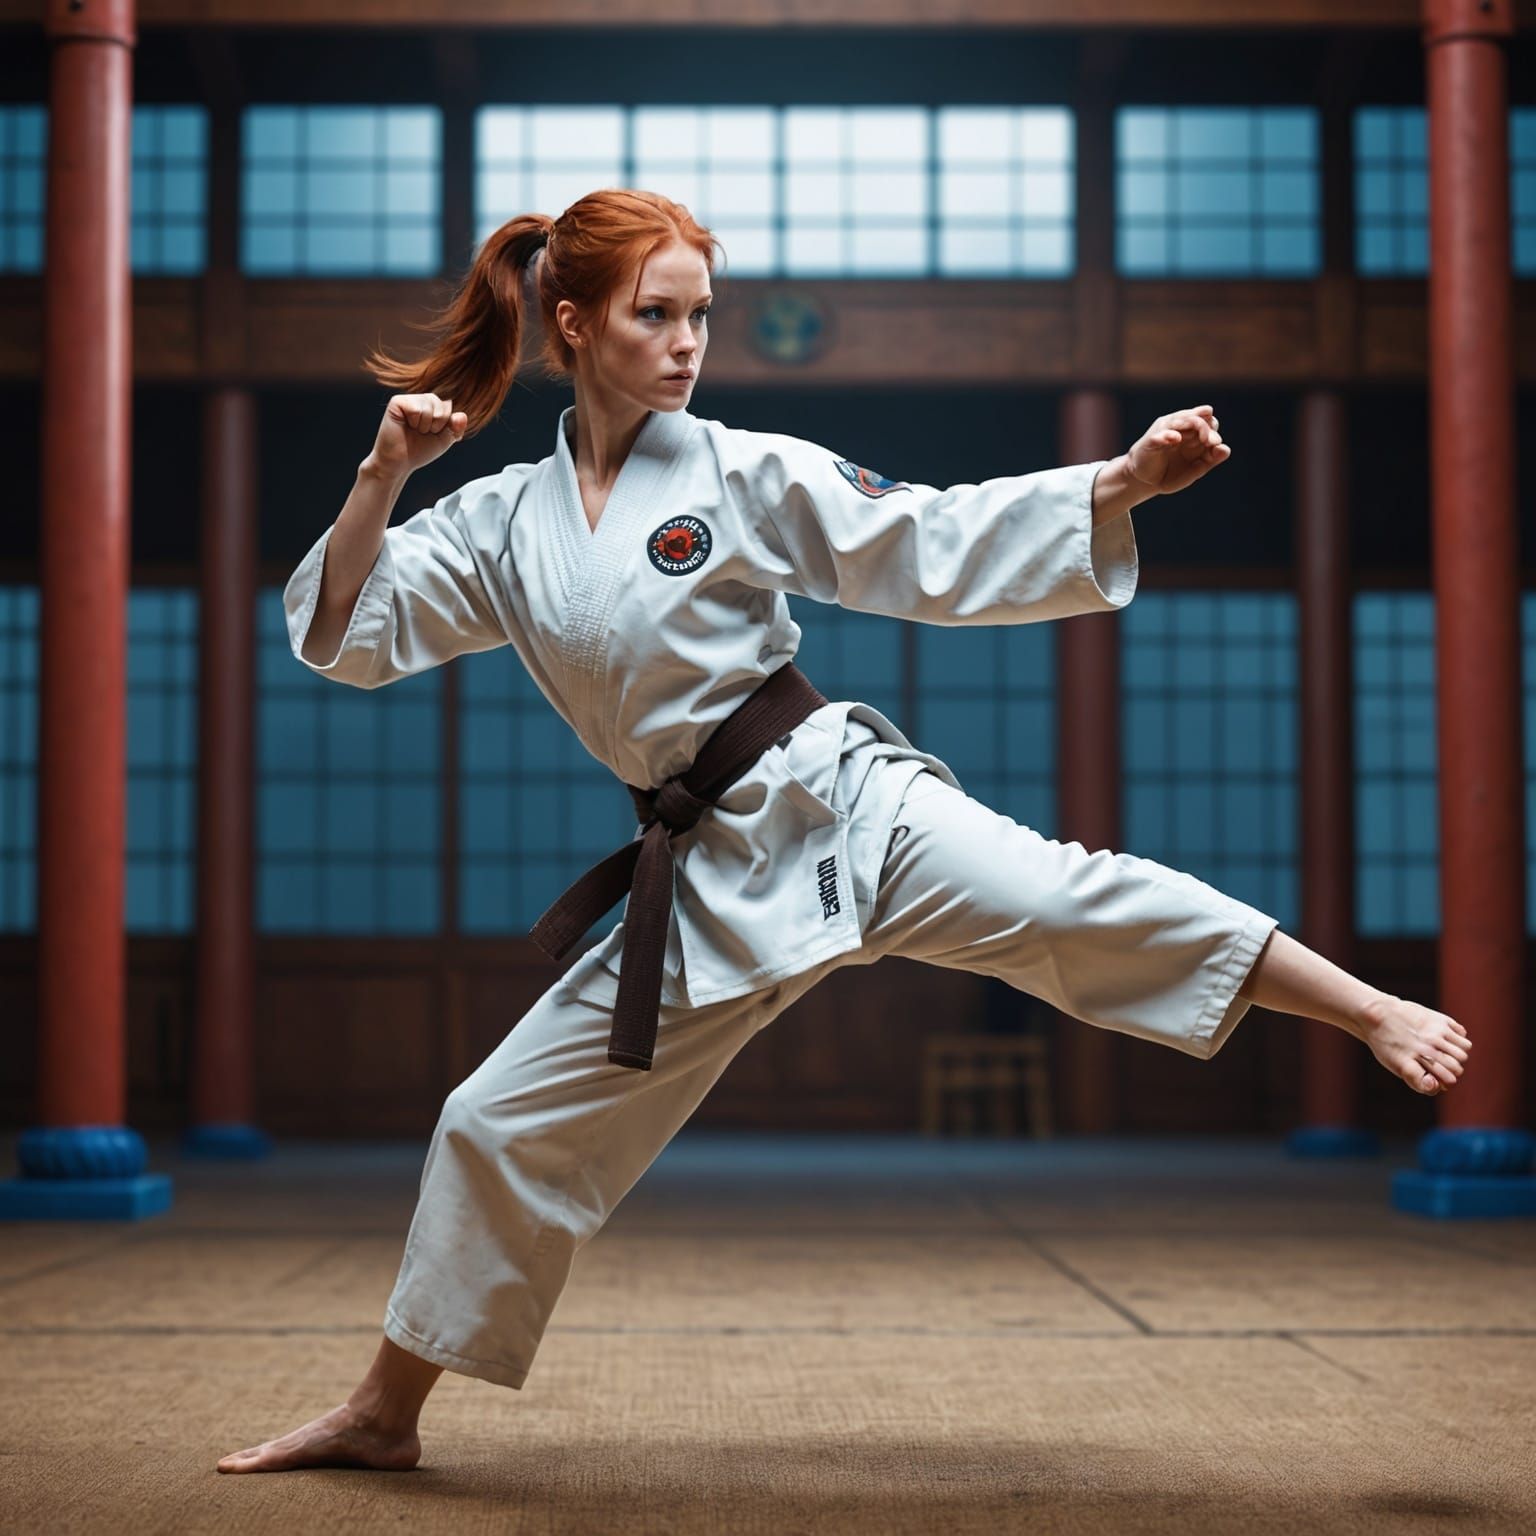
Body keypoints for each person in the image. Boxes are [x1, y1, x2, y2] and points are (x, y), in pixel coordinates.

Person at [217, 189, 1472, 1474]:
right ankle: (384, 1414)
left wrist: (1122, 482)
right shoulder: (499, 521)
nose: (688, 344)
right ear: (576, 323)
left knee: (1060, 898)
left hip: (837, 803)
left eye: (702, 315)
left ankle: (1366, 1007)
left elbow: (926, 535)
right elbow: (346, 629)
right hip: (697, 870)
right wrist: (383, 474)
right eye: (657, 316)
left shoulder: (741, 472)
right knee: (495, 1118)